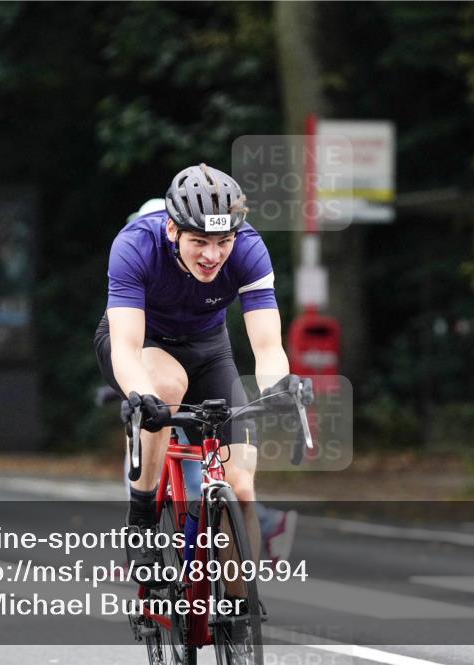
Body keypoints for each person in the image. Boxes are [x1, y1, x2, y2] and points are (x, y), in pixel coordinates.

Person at [95, 164, 298, 583]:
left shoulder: (248, 249)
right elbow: (127, 346)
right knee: (166, 386)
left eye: (223, 241)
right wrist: (140, 394)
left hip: (209, 348)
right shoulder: (136, 245)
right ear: (173, 230)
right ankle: (142, 519)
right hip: (144, 343)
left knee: (241, 488)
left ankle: (240, 620)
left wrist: (277, 386)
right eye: (199, 241)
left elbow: (266, 345)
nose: (212, 255)